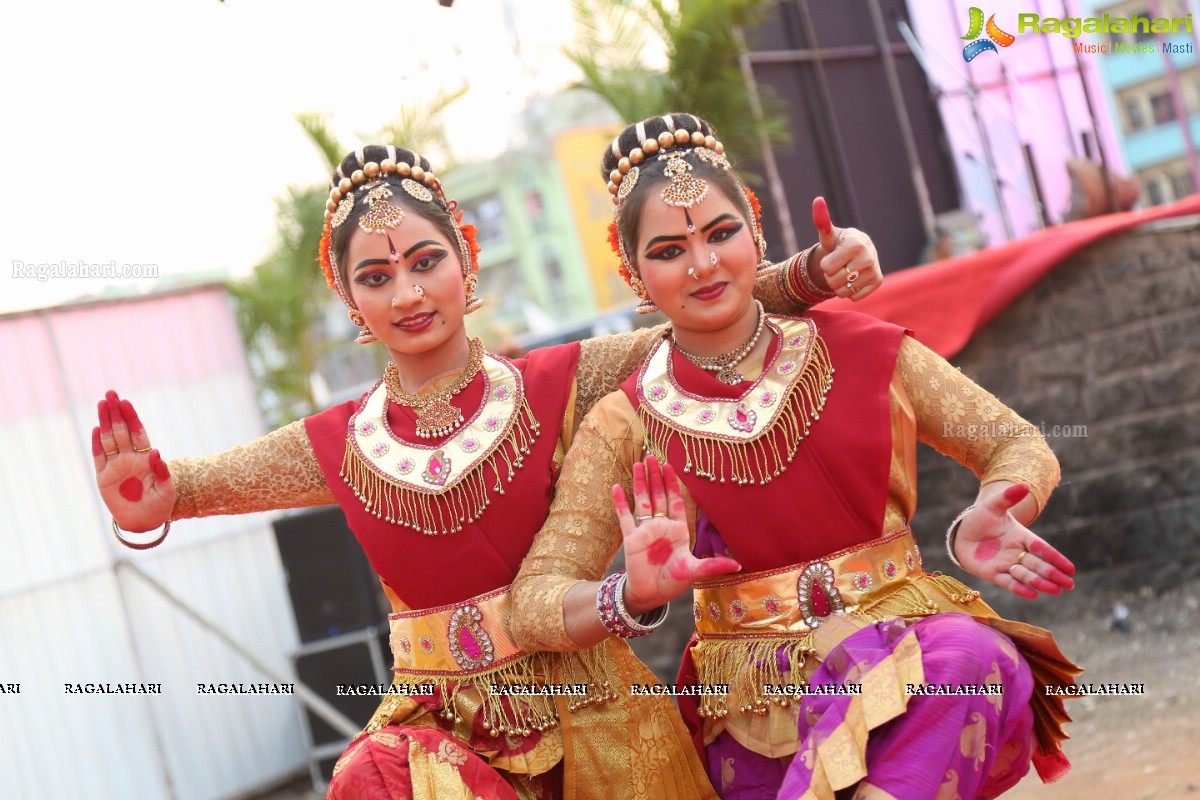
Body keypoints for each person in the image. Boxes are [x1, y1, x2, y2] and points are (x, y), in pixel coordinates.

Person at [91, 141, 886, 799]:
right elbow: (191, 488)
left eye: (425, 261)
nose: (406, 293)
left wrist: (810, 276)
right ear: (347, 296)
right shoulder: (335, 442)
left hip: (596, 718)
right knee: (370, 779)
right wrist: (153, 501)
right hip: (444, 748)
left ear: (466, 257)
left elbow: (698, 317)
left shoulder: (562, 381)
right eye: (375, 277)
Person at [509, 113, 1081, 800]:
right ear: (634, 273)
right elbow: (533, 603)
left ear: (755, 233)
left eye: (721, 234)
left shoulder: (862, 347)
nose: (703, 264)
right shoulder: (625, 421)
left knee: (974, 656)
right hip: (755, 710)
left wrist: (985, 510)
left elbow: (1014, 440)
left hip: (908, 644)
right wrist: (628, 595)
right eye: (668, 251)